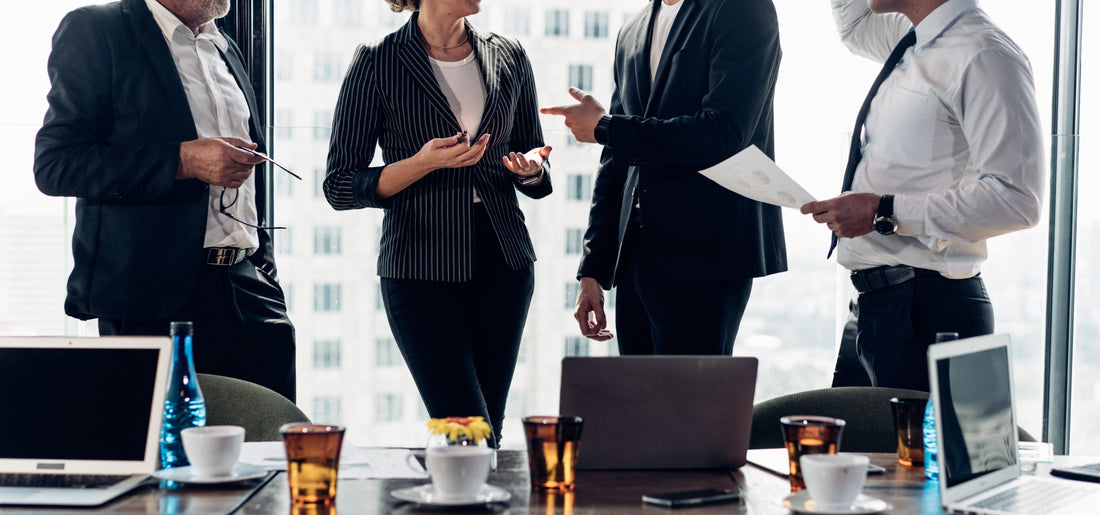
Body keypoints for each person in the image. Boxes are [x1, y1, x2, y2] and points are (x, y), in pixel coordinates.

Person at [34, 0, 296, 401]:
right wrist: (182, 160)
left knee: (267, 451)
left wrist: (264, 269)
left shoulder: (224, 45)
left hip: (249, 289)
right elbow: (56, 165)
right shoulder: (97, 29)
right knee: (163, 458)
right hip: (151, 302)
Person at [324, 0, 551, 447]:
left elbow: (534, 160)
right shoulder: (377, 60)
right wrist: (421, 164)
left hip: (504, 264)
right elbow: (339, 185)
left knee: (489, 432)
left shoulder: (510, 54)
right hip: (419, 269)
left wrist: (531, 170)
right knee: (466, 432)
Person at [801, 0, 1044, 390]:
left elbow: (1017, 200)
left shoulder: (984, 54)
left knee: (915, 453)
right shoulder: (912, 39)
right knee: (853, 449)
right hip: (874, 306)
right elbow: (853, 26)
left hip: (928, 308)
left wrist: (884, 211)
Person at [540, 0, 786, 355]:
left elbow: (724, 132)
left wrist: (607, 127)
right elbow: (616, 160)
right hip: (633, 259)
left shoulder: (742, 8)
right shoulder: (632, 31)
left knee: (693, 405)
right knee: (640, 405)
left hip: (706, 254)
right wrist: (593, 269)